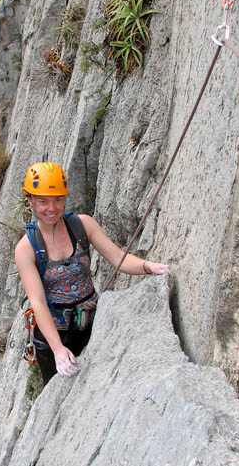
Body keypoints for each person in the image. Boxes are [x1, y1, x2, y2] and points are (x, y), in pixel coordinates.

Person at [15, 161, 171, 385]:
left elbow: (118, 258)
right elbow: (38, 302)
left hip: (92, 323)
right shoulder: (26, 249)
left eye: (58, 199)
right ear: (30, 201)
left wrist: (148, 267)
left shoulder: (82, 225)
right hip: (55, 335)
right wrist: (58, 349)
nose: (52, 208)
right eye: (43, 202)